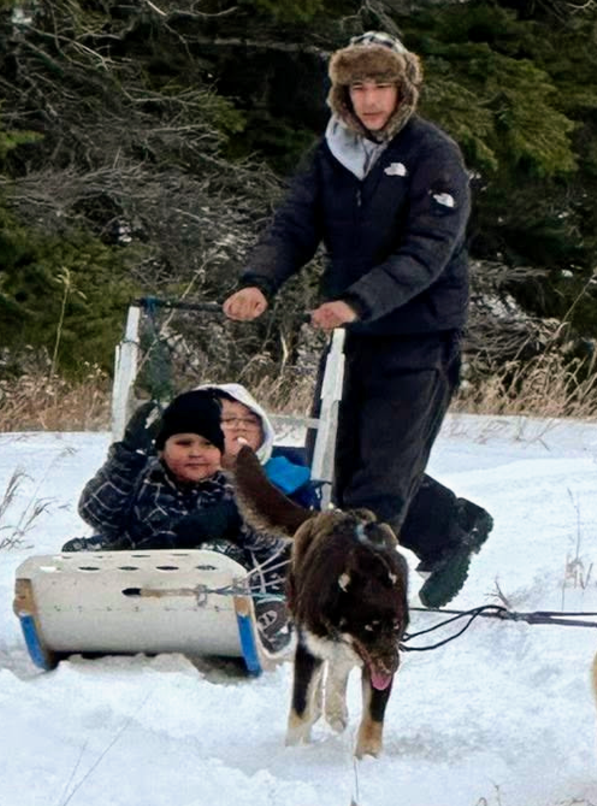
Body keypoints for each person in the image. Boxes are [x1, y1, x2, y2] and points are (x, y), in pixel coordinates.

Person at [222, 30, 491, 610]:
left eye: (382, 86)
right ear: (342, 94)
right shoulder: (330, 154)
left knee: (381, 482)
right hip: (351, 336)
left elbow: (428, 250)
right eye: (358, 87)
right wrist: (257, 281)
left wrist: (358, 300)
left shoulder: (433, 154)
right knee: (337, 471)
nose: (370, 99)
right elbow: (293, 225)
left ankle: (367, 604)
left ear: (404, 91)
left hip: (420, 333)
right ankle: (450, 525)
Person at [63, 390, 292, 654]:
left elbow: (272, 547)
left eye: (208, 445)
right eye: (184, 443)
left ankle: (255, 619)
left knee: (219, 554)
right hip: (138, 577)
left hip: (206, 597)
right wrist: (126, 460)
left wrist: (237, 517)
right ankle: (82, 615)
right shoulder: (142, 478)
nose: (196, 452)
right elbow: (95, 511)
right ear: (162, 448)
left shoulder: (234, 489)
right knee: (80, 553)